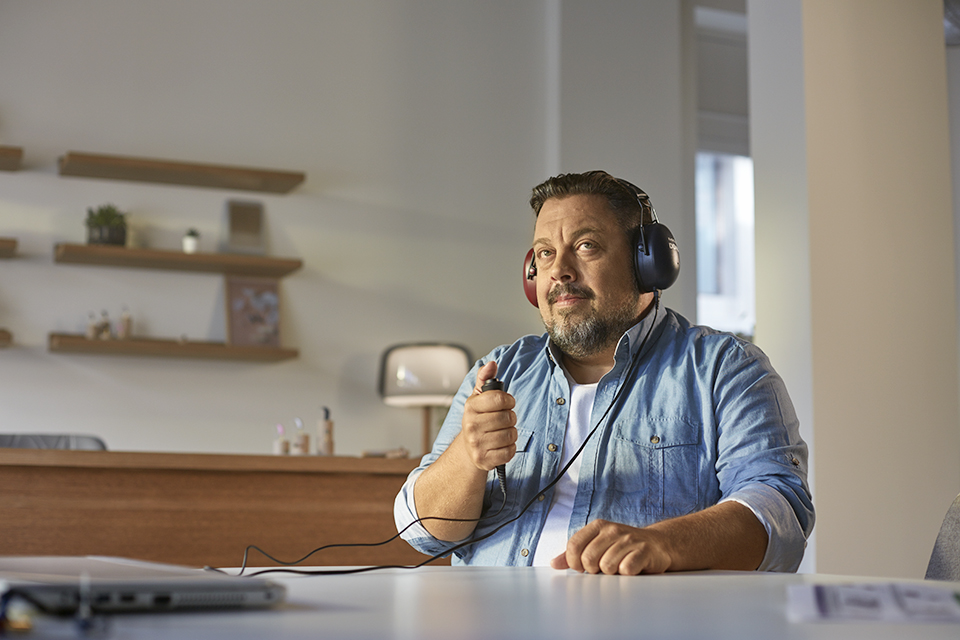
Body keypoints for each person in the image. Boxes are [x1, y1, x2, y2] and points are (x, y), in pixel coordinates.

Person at [394, 170, 814, 575]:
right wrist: (467, 459)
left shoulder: (725, 368)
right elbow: (424, 534)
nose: (558, 270)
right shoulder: (498, 373)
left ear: (646, 262)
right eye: (544, 253)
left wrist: (665, 544)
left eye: (586, 246)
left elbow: (780, 514)